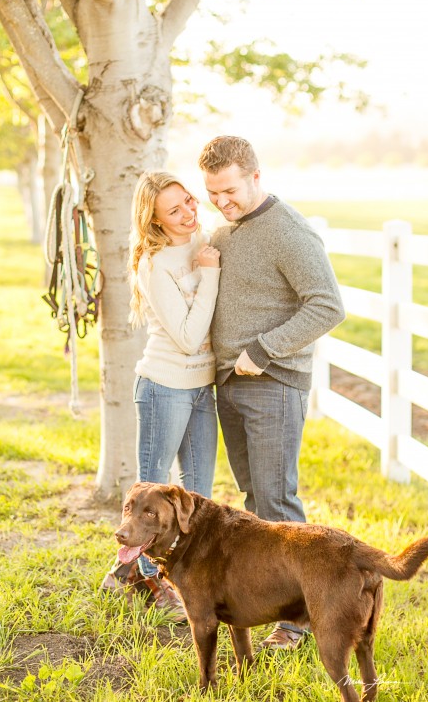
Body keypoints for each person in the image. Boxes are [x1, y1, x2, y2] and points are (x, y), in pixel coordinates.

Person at [200, 135, 345, 650]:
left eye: (230, 190)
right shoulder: (225, 231)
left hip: (274, 384)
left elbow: (327, 305)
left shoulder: (289, 231)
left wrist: (263, 350)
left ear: (255, 176)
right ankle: (265, 602)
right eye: (213, 192)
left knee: (277, 499)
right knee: (255, 500)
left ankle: (298, 621)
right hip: (228, 384)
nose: (222, 201)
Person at [101, 171, 220, 622]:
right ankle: (149, 577)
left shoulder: (204, 240)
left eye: (189, 201)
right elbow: (189, 338)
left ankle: (132, 574)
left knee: (196, 496)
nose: (188, 213)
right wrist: (209, 276)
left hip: (201, 386)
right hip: (164, 385)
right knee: (151, 493)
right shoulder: (155, 263)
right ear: (154, 220)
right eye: (174, 210)